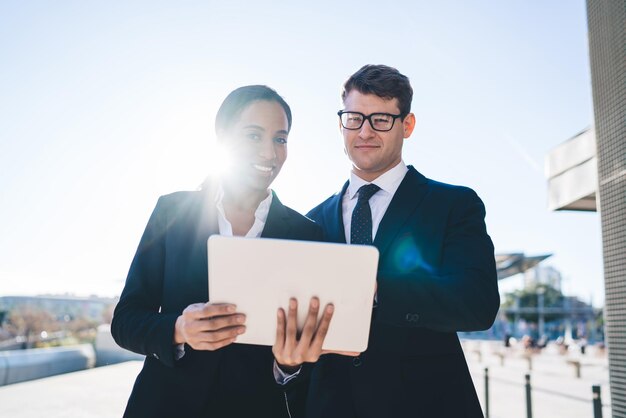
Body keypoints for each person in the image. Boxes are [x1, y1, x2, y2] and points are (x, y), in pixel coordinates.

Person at [285, 65, 500, 417]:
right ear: (341, 125)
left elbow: (478, 304)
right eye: (354, 118)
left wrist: (378, 288)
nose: (365, 131)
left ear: (407, 125)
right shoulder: (310, 222)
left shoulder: (454, 205)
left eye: (381, 119)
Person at [111, 85, 333, 418]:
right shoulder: (172, 212)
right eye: (254, 136)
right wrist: (179, 329)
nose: (270, 153)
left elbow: (306, 355)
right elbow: (126, 320)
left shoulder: (307, 234)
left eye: (280, 139)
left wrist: (289, 365)